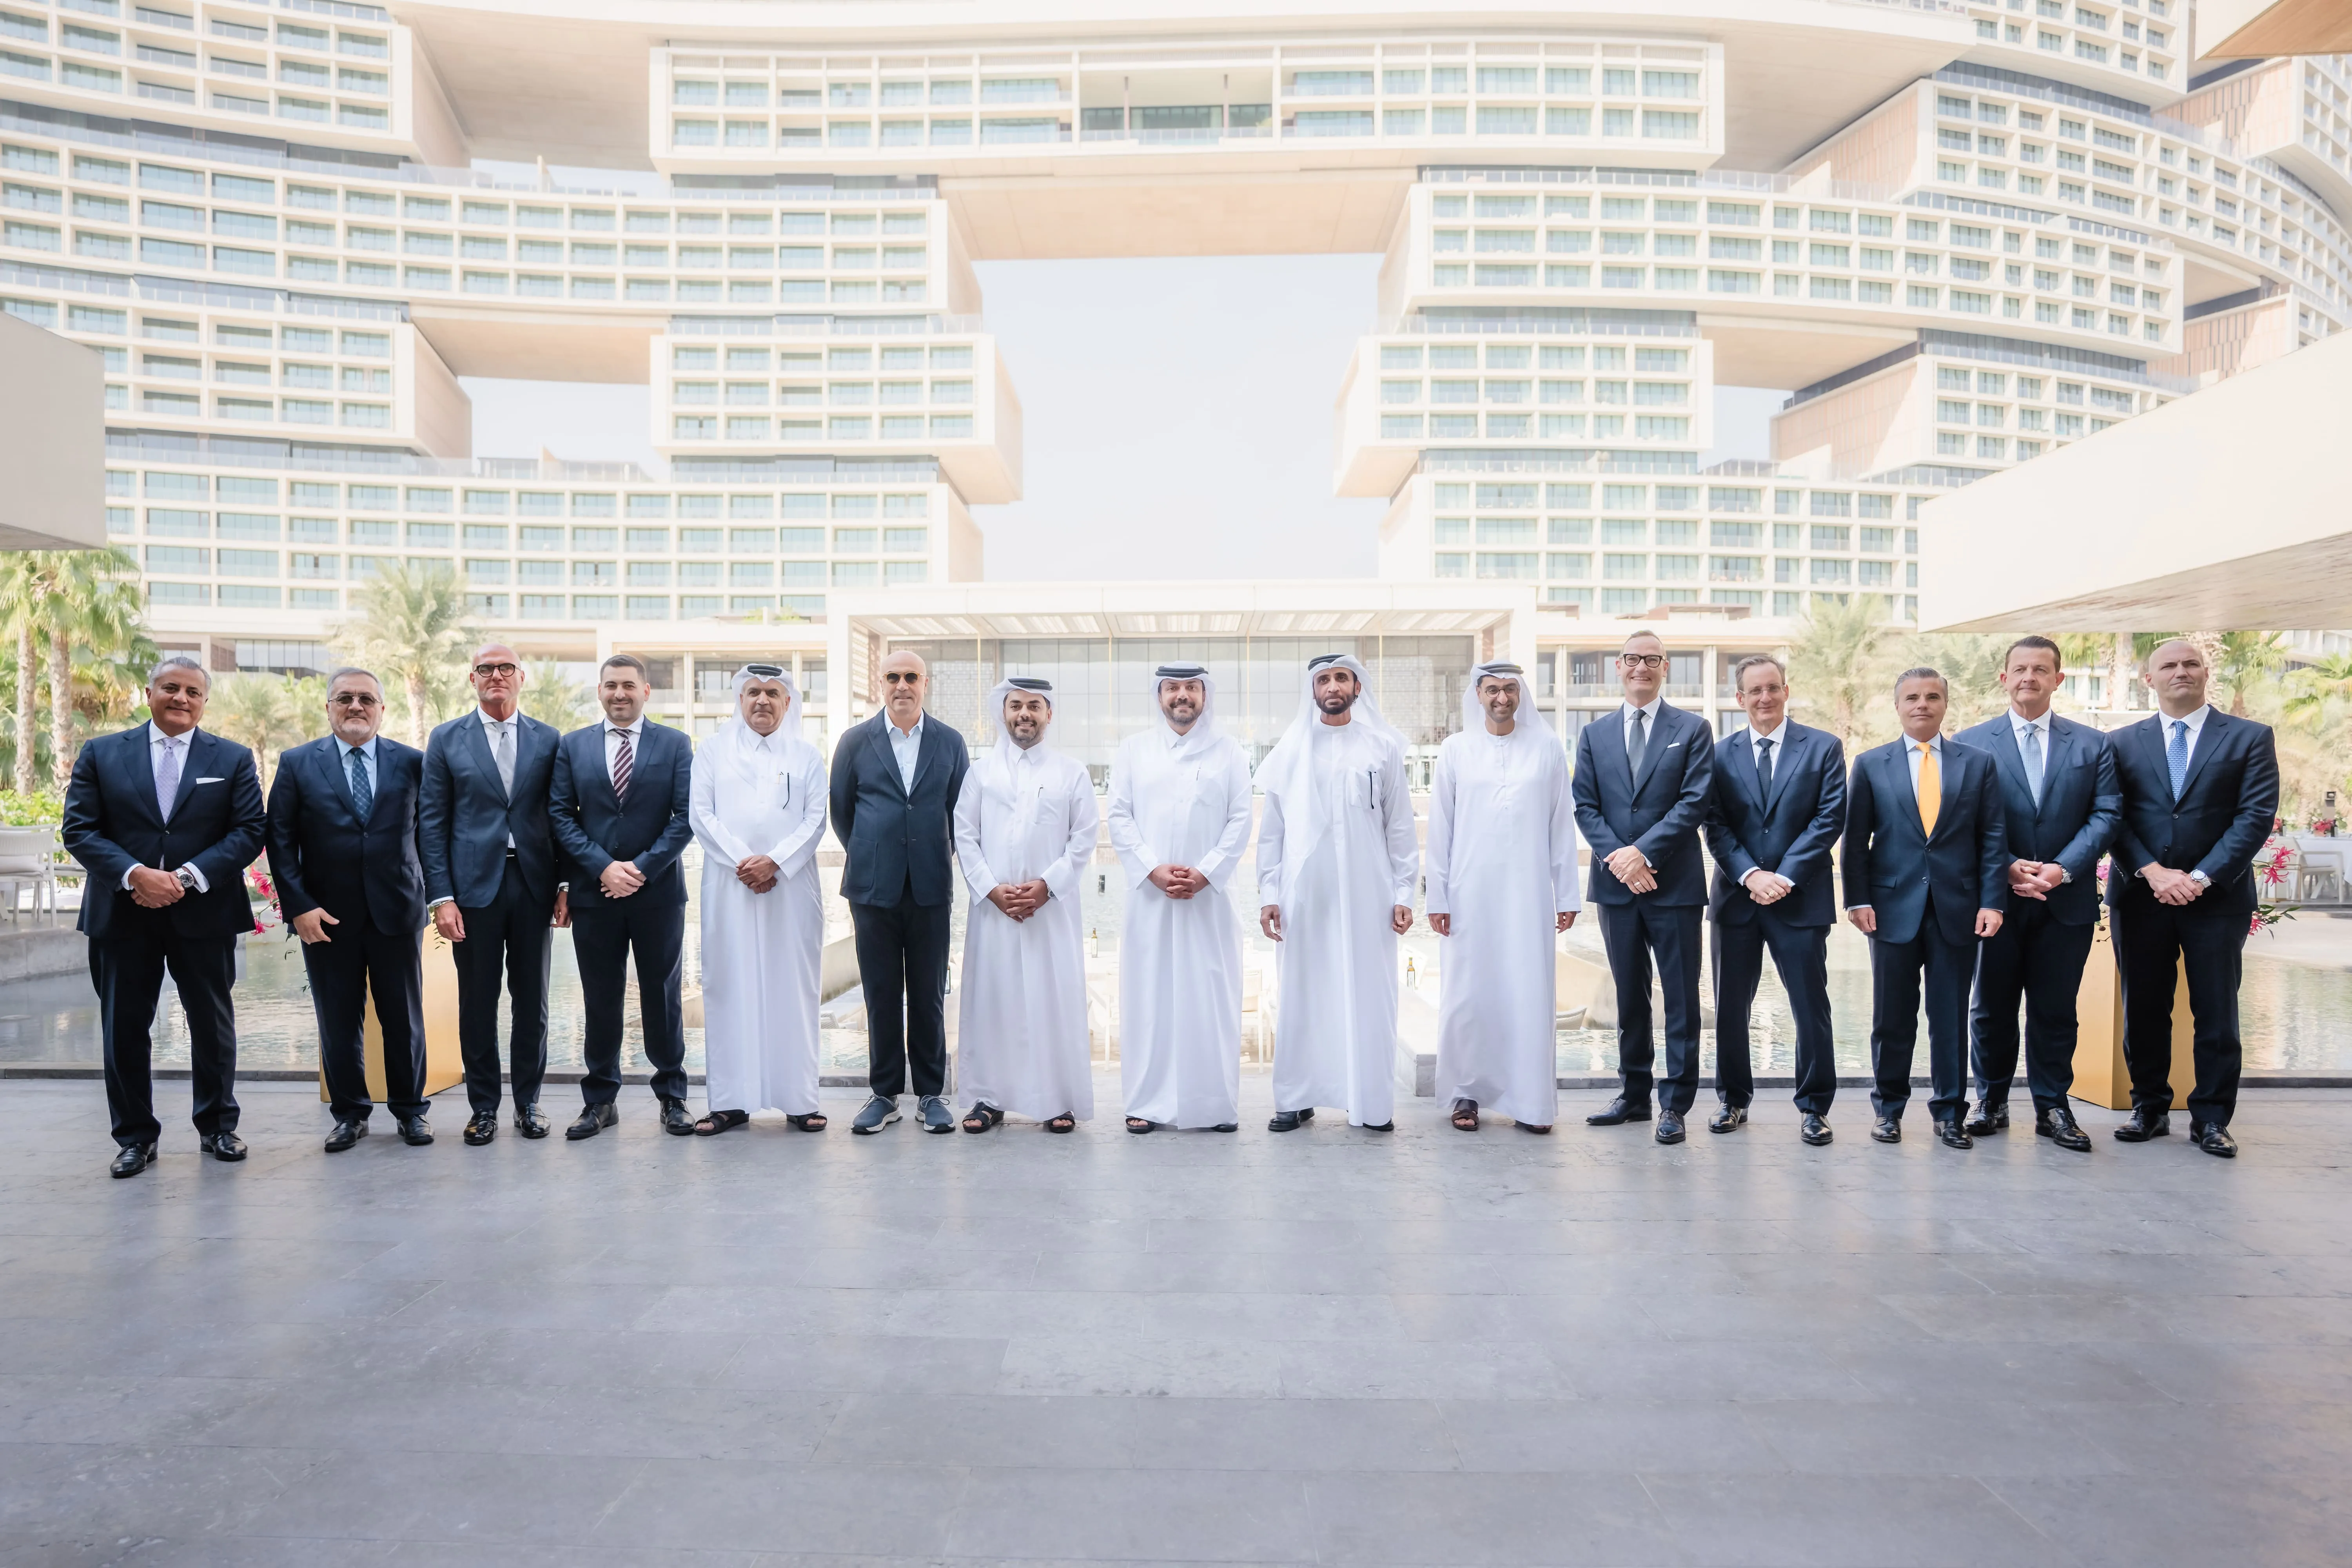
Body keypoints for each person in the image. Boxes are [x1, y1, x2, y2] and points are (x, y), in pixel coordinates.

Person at [62, 655, 267, 1178]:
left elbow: (248, 832)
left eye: (193, 692)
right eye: (171, 688)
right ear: (149, 692)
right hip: (122, 912)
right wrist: (135, 875)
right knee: (124, 1028)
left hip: (205, 911)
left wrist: (184, 878)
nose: (182, 698)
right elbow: (81, 830)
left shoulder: (235, 757)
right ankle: (134, 1137)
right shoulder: (102, 753)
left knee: (213, 1026)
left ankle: (219, 1127)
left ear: (205, 701)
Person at [2105, 637, 2280, 1158]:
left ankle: (2211, 1119)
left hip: (2217, 900)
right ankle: (2149, 1108)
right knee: (2144, 1008)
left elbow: (2254, 817)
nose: (2181, 672)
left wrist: (2201, 878)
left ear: (2206, 673)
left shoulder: (2249, 738)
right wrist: (2154, 873)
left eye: (2190, 664)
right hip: (2141, 896)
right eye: (2169, 665)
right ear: (2149, 680)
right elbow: (2113, 816)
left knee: (2217, 1011)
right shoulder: (2119, 743)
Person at [1956, 636, 2120, 1153]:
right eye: (2020, 669)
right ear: (2004, 679)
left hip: (2063, 900)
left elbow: (2107, 814)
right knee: (1991, 1009)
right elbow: (1959, 818)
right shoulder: (1969, 743)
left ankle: (2053, 1107)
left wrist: (2062, 869)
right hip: (1994, 900)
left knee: (2055, 1010)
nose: (2030, 677)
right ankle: (1992, 1100)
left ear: (2058, 679)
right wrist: (2005, 867)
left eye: (2041, 669)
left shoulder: (2094, 746)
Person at [264, 668, 432, 1152]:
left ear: (382, 709)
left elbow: (428, 836)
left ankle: (410, 1111)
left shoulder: (412, 762)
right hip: (325, 919)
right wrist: (299, 907)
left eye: (366, 699)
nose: (356, 706)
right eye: (345, 698)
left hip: (397, 913)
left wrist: (434, 896)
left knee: (404, 1020)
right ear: (328, 707)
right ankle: (350, 1114)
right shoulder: (297, 763)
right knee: (338, 1023)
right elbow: (280, 840)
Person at [1843, 668, 2007, 1149]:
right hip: (1891, 909)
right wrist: (1858, 899)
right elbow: (1856, 840)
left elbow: (1993, 838)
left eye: (1932, 697)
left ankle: (1950, 1113)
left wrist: (1993, 902)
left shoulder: (1978, 764)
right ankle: (1889, 1110)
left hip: (1957, 908)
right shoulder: (1872, 764)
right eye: (1912, 697)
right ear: (1898, 706)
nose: (1922, 704)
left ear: (1945, 704)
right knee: (1892, 1017)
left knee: (1950, 1016)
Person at [1255, 652, 1417, 1133]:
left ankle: (1366, 1101)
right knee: (1303, 995)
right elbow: (1272, 834)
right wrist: (1269, 892)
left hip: (1368, 895)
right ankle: (1296, 1097)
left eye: (1341, 677)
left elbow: (1401, 828)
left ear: (1357, 687)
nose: (1332, 685)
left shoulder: (1382, 748)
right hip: (1305, 896)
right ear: (1313, 690)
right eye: (1323, 679)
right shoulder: (1288, 751)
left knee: (1367, 996)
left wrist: (1405, 891)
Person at [419, 644, 569, 1146]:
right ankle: (483, 1107)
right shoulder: (446, 739)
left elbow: (563, 816)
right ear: (472, 679)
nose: (497, 676)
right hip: (471, 891)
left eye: (506, 668)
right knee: (477, 1003)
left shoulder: (549, 740)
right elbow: (432, 823)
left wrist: (565, 883)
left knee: (534, 1003)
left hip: (533, 886)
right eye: (487, 669)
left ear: (522, 677)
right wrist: (441, 897)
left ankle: (529, 1103)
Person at [1570, 629, 1715, 1143]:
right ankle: (1633, 1095)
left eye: (1651, 659)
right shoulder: (1595, 734)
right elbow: (1584, 805)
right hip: (1616, 887)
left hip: (1673, 885)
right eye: (1632, 659)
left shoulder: (1694, 729)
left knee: (1679, 997)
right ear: (1618, 666)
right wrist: (1620, 859)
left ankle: (1674, 1104)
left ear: (1665, 667)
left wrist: (1644, 853)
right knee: (1630, 997)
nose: (1641, 667)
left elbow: (1695, 802)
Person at [1425, 662, 1579, 1134]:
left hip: (1529, 896)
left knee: (1527, 993)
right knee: (1468, 996)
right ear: (1478, 694)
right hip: (1469, 896)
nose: (1502, 697)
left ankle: (1529, 1101)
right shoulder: (1455, 750)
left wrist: (1566, 893)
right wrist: (1439, 898)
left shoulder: (1547, 748)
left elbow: (1560, 826)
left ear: (1521, 694)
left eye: (1510, 689)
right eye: (1493, 689)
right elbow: (1440, 829)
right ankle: (1464, 1096)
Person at [548, 653, 696, 1140]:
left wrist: (641, 868)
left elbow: (685, 816)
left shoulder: (675, 744)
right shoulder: (573, 746)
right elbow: (561, 816)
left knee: (663, 996)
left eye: (629, 685)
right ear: (600, 691)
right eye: (611, 685)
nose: (620, 694)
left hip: (657, 895)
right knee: (601, 999)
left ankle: (673, 1098)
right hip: (596, 894)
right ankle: (599, 1102)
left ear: (645, 691)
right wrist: (602, 867)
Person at [1703, 654, 1847, 1146]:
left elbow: (1829, 819)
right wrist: (1750, 875)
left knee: (1811, 1005)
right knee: (1730, 1007)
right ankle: (1732, 1100)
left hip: (1799, 896)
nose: (1765, 698)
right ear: (1739, 699)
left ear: (1787, 690)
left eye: (1773, 688)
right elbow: (1715, 826)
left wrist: (1782, 877)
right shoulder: (1719, 755)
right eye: (1754, 691)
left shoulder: (1824, 747)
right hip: (1737, 899)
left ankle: (1814, 1108)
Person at [1106, 663, 1252, 1134]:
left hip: (1208, 900)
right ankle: (1145, 1104)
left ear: (1205, 695)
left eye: (1191, 688)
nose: (1182, 696)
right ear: (1160, 695)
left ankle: (1214, 1106)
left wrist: (1206, 873)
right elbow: (1120, 817)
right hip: (1151, 898)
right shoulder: (1133, 751)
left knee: (1210, 999)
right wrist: (1153, 868)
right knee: (1149, 1000)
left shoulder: (1230, 752)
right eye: (1173, 688)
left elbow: (1241, 819)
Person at [829, 648, 970, 1135]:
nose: (902, 685)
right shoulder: (854, 741)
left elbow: (961, 814)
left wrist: (925, 857)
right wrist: (876, 855)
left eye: (912, 677)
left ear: (925, 684)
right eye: (893, 677)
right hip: (872, 890)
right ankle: (885, 1093)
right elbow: (842, 813)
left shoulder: (950, 742)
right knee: (882, 994)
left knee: (929, 995)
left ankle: (932, 1094)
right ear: (880, 684)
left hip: (931, 886)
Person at [952, 678, 1099, 1134]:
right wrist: (992, 890)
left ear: (1049, 714)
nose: (1024, 714)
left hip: (1049, 911)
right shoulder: (981, 772)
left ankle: (1058, 1100)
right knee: (993, 1003)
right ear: (1004, 712)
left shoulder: (1071, 772)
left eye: (1034, 706)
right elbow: (965, 835)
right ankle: (988, 1099)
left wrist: (1046, 887)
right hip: (994, 910)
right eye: (1016, 706)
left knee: (1051, 1000)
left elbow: (1084, 837)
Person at [688, 664, 830, 1134]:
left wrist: (775, 862)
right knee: (729, 987)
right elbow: (701, 815)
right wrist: (745, 862)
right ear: (740, 699)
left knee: (794, 988)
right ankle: (730, 1102)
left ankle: (799, 1099)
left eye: (773, 693)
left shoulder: (807, 755)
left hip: (790, 888)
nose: (763, 701)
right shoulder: (711, 752)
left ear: (788, 702)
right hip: (730, 888)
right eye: (753, 692)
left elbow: (815, 821)